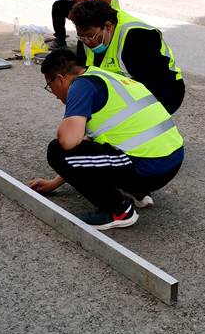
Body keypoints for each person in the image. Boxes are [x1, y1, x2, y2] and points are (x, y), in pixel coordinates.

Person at [28, 49, 185, 231]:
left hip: (147, 168)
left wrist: (69, 117)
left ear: (60, 79)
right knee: (93, 148)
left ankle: (117, 210)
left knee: (57, 151)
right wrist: (54, 183)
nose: (54, 94)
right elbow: (88, 152)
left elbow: (68, 142)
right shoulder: (106, 77)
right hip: (171, 162)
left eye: (50, 86)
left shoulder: (80, 85)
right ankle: (136, 191)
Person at [68, 0, 185, 115]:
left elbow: (151, 82)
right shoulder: (85, 32)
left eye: (90, 36)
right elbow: (82, 71)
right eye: (81, 36)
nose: (86, 41)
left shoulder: (136, 37)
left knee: (128, 119)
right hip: (120, 85)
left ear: (107, 26)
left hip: (162, 87)